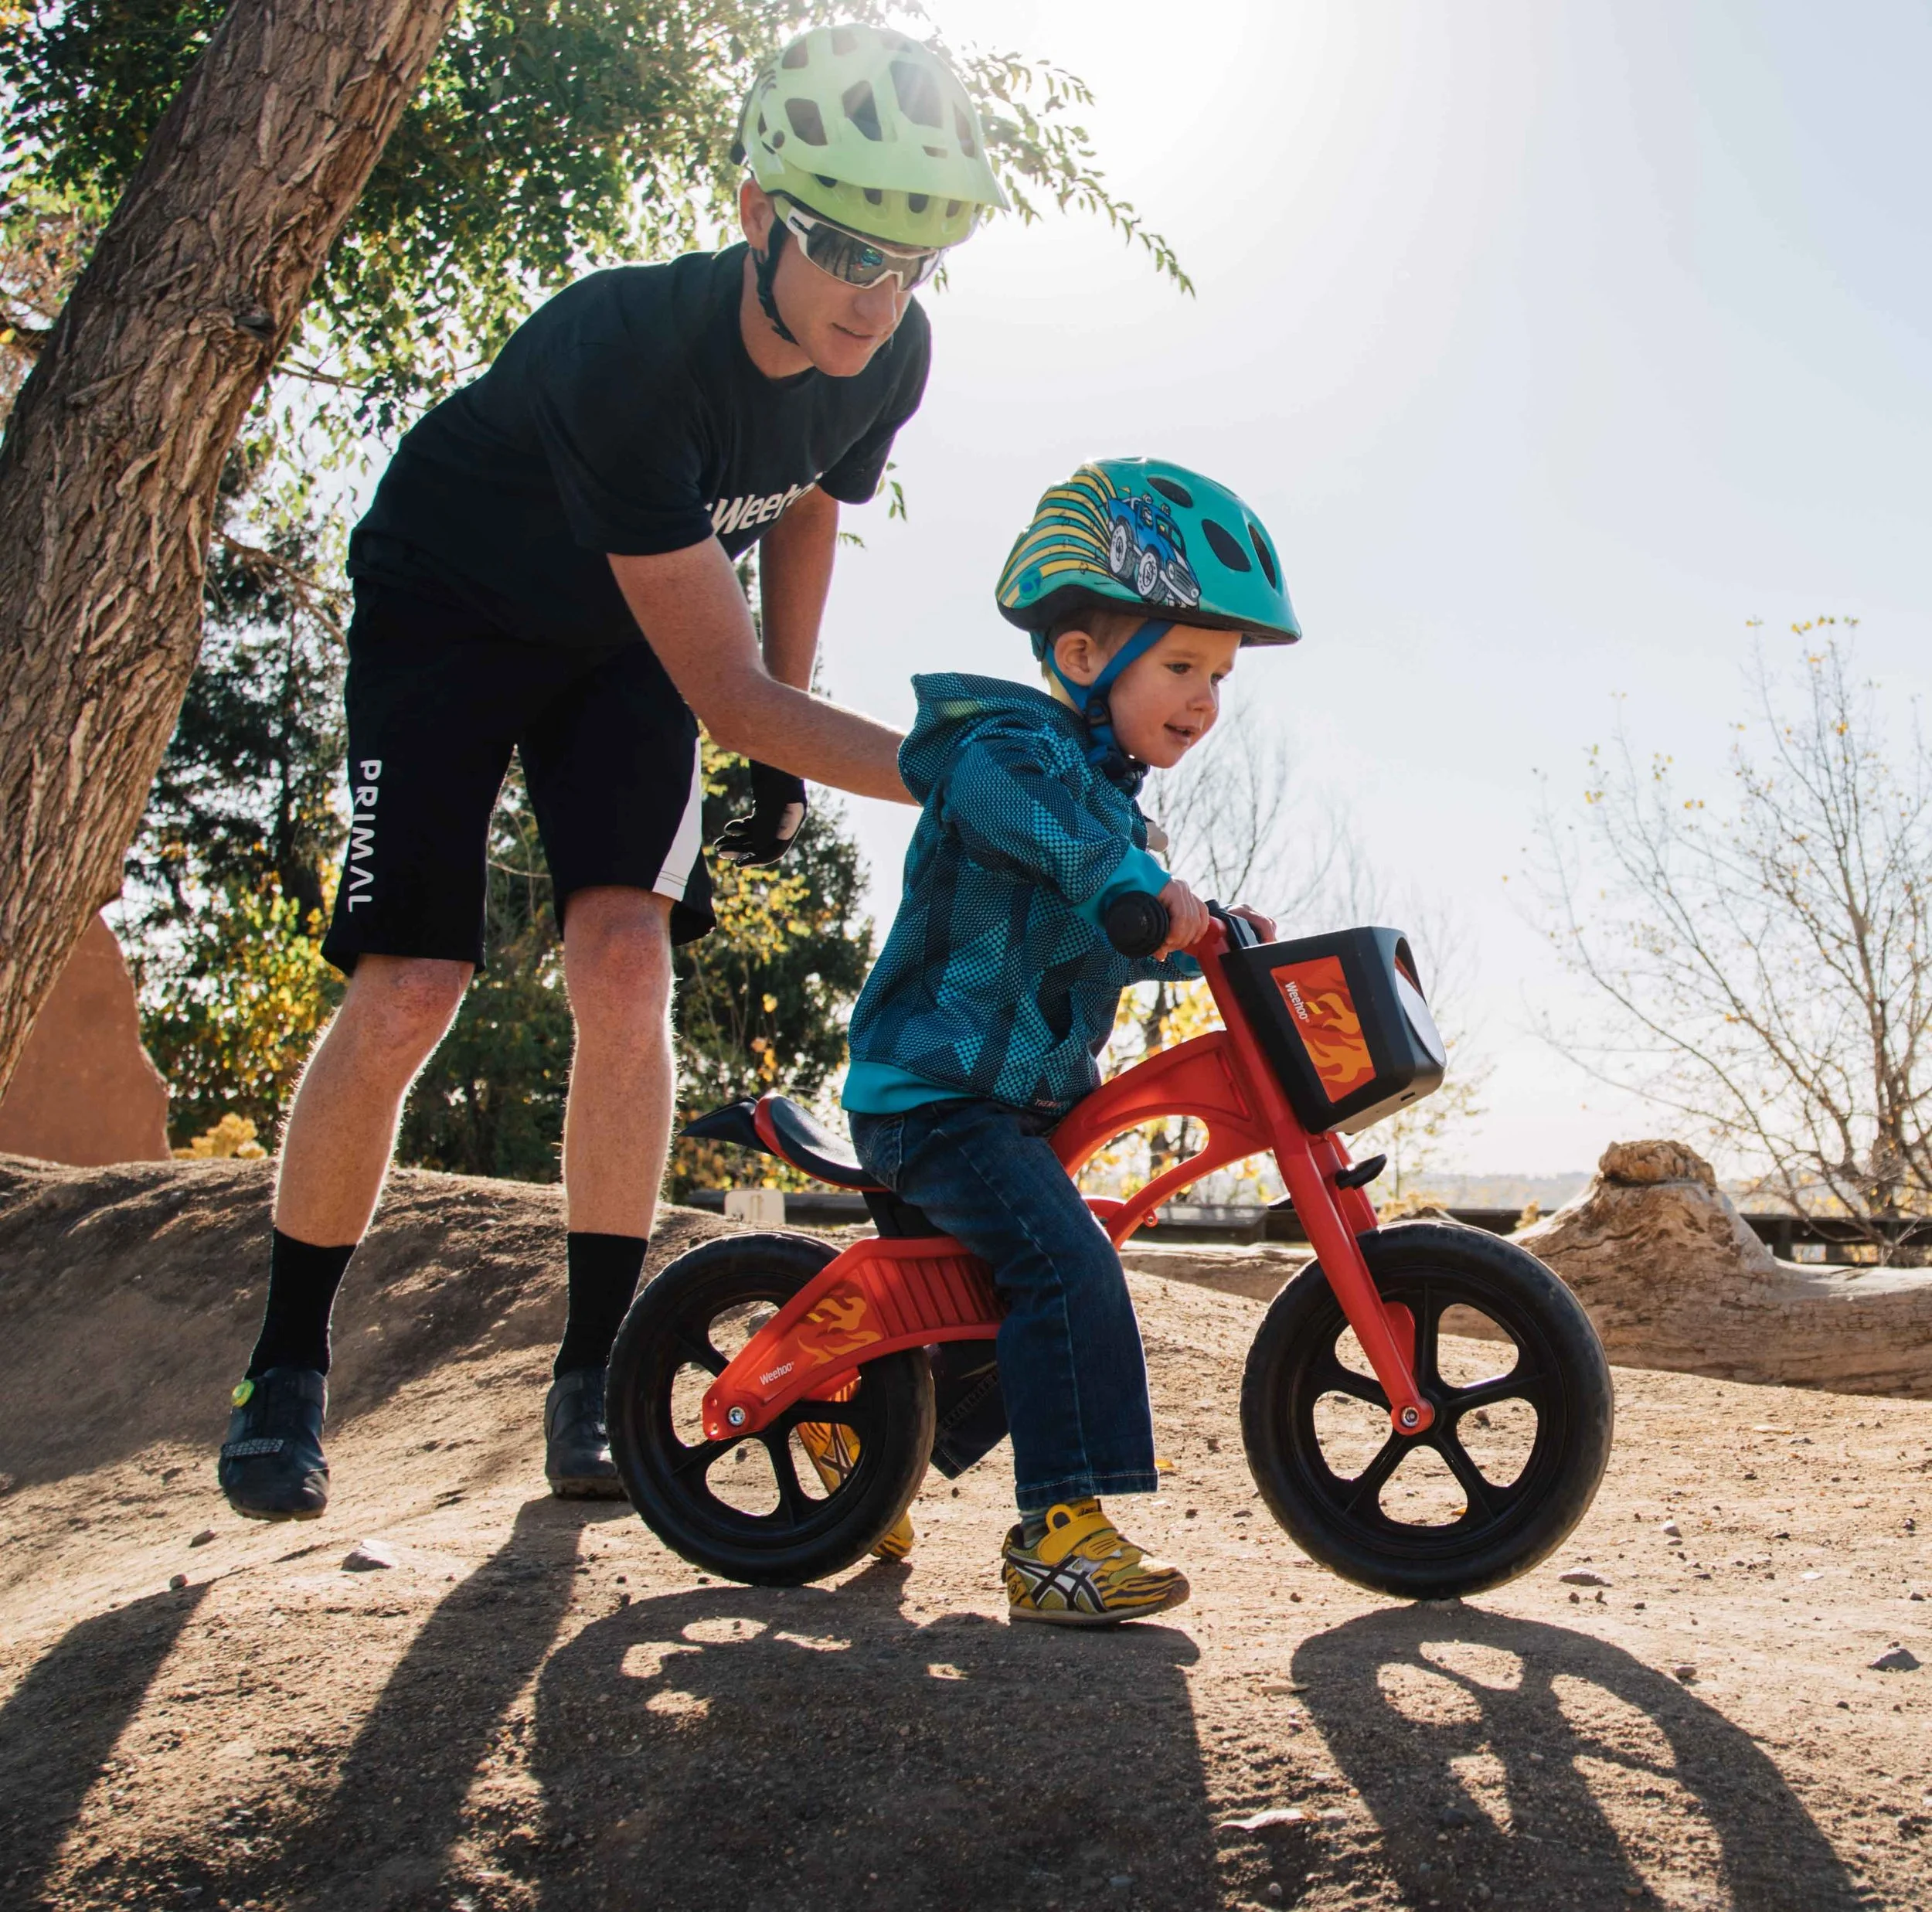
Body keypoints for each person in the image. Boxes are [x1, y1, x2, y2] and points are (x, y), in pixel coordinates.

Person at [216, 25, 1009, 1522]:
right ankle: (283, 1367)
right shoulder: (629, 355)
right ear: (754, 209)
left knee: (623, 961)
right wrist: (969, 769)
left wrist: (801, 700)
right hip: (451, 609)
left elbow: (808, 509)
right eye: (842, 242)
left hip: (626, 637)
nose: (874, 289)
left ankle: (592, 1376)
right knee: (408, 989)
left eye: (911, 257)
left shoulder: (887, 346)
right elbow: (726, 695)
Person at [839, 457, 1300, 1625]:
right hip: (936, 1095)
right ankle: (1058, 1537)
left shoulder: (1112, 802)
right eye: (1184, 664)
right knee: (1062, 1266)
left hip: (1014, 1102)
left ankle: (866, 1473)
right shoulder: (998, 751)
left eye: (1221, 676)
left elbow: (1109, 913)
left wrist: (1205, 933)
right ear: (1086, 659)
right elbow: (1068, 856)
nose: (1205, 698)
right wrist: (1140, 893)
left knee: (984, 1316)